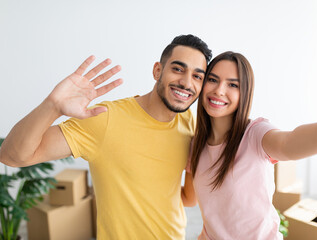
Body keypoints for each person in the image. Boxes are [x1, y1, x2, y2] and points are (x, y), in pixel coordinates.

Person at [0, 34, 212, 239]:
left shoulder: (189, 123)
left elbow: (187, 199)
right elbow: (12, 156)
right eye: (177, 69)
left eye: (197, 76)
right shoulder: (105, 120)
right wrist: (52, 106)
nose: (186, 82)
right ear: (158, 70)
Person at [181, 51, 317, 240]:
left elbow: (287, 144)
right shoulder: (196, 145)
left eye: (232, 84)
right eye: (213, 80)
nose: (219, 90)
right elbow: (189, 198)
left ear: (245, 93)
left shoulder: (255, 134)